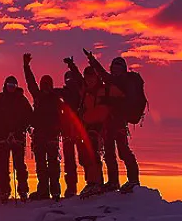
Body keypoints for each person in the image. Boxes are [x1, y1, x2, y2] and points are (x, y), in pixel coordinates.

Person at [84, 49, 141, 193]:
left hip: (119, 122)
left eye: (118, 68)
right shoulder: (113, 82)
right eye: (113, 68)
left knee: (123, 151)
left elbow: (125, 102)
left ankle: (133, 180)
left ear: (123, 70)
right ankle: (114, 182)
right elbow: (102, 74)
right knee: (109, 152)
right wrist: (92, 60)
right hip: (109, 123)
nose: (115, 71)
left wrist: (110, 100)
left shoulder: (126, 83)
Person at [22, 53, 63, 201]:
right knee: (41, 166)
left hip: (50, 136)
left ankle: (55, 191)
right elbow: (30, 82)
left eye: (47, 84)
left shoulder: (56, 98)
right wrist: (26, 67)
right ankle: (44, 191)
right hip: (40, 137)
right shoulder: (39, 96)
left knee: (52, 165)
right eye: (44, 84)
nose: (45, 87)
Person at [0, 75, 32, 203]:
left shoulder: (21, 99)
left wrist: (19, 130)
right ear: (6, 85)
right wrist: (0, 134)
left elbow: (28, 117)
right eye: (9, 86)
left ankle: (23, 190)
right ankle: (4, 191)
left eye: (13, 86)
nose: (11, 88)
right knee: (2, 166)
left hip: (18, 137)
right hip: (2, 138)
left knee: (20, 166)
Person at [77, 63, 108, 198]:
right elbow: (78, 79)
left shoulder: (101, 90)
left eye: (91, 77)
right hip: (87, 126)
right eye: (87, 77)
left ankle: (96, 183)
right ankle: (92, 182)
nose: (89, 79)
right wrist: (72, 65)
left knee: (93, 155)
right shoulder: (86, 91)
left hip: (98, 127)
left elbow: (103, 110)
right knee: (85, 156)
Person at [57, 57, 86, 198]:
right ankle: (71, 187)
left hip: (81, 132)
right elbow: (45, 91)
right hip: (68, 132)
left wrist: (71, 65)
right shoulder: (62, 93)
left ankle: (91, 183)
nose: (70, 82)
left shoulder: (81, 91)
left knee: (85, 159)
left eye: (71, 79)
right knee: (69, 162)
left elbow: (80, 79)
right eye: (67, 80)